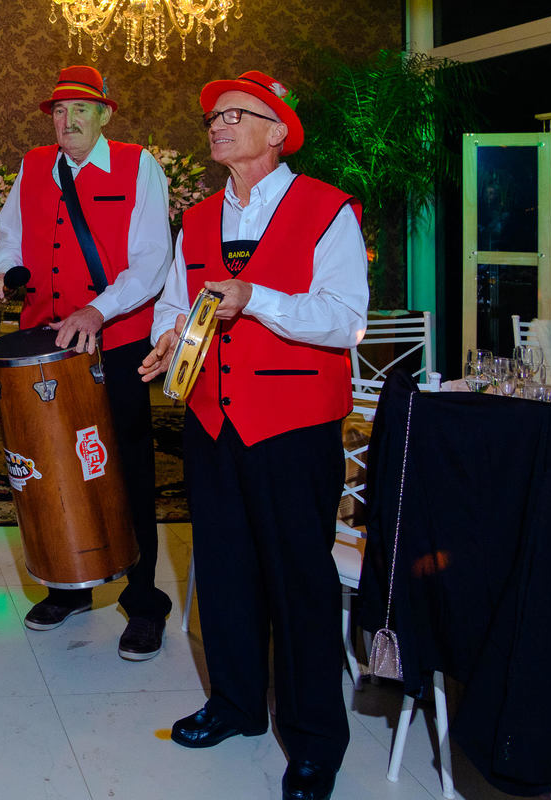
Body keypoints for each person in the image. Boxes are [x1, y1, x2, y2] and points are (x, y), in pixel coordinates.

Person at [139, 70, 369, 800]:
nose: (217, 123)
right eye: (213, 115)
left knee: (299, 582)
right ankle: (236, 704)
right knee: (227, 571)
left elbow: (344, 319)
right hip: (213, 419)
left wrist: (256, 298)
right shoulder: (199, 219)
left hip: (294, 425)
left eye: (236, 113)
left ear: (278, 132)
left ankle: (313, 741)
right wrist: (169, 334)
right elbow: (174, 303)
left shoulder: (328, 211)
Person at [0, 65, 174, 660]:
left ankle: (143, 601)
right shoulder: (34, 165)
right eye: (58, 112)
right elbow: (10, 235)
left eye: (80, 111)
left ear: (105, 115)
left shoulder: (140, 166)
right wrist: (0, 272)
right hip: (44, 343)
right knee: (50, 466)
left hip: (114, 345)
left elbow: (151, 263)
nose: (67, 122)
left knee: (124, 470)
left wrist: (98, 310)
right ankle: (69, 587)